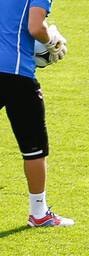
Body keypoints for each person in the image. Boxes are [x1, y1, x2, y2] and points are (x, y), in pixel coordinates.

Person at [0, 1, 72, 228]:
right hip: (16, 73)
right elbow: (35, 27)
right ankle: (39, 212)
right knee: (34, 148)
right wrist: (51, 42)